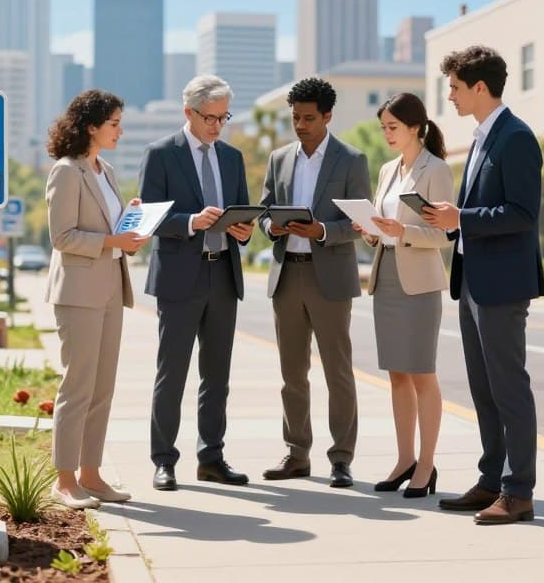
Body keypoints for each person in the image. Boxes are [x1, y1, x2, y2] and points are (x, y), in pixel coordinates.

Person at [423, 45, 544, 525]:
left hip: (501, 285)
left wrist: (462, 217)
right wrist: (452, 223)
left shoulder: (515, 138)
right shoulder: (480, 138)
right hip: (472, 280)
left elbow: (522, 213)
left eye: (454, 87)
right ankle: (492, 480)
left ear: (479, 87)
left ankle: (519, 491)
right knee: (484, 389)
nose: (449, 95)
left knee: (509, 388)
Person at [139, 75, 255, 491]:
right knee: (172, 373)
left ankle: (212, 457)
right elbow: (149, 218)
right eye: (210, 118)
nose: (217, 126)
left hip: (223, 272)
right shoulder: (160, 155)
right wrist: (190, 221)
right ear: (188, 112)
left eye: (223, 118)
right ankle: (164, 460)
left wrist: (243, 231)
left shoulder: (232, 157)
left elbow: (241, 212)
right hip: (179, 278)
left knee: (216, 375)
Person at [258, 77, 370, 488]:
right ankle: (297, 454)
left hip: (331, 278)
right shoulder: (279, 158)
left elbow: (359, 221)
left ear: (327, 116)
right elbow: (264, 209)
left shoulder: (351, 159)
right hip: (287, 274)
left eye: (308, 118)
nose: (300, 125)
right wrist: (271, 224)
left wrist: (321, 230)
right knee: (292, 373)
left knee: (338, 372)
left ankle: (342, 459)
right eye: (295, 118)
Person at [45, 90, 150, 509]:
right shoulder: (67, 172)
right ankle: (65, 480)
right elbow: (62, 237)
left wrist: (130, 227)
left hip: (109, 286)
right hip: (78, 292)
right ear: (91, 126)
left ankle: (91, 474)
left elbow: (108, 233)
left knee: (102, 387)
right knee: (78, 386)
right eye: (114, 124)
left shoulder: (103, 170)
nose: (120, 131)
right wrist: (112, 239)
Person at [355, 93, 453, 498]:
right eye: (383, 128)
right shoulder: (387, 170)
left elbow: (446, 234)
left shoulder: (437, 170)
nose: (387, 134)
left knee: (421, 373)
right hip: (387, 277)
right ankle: (404, 459)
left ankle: (427, 465)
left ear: (416, 127)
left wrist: (402, 233)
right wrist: (371, 231)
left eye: (393, 127)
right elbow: (386, 225)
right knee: (396, 374)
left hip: (420, 282)